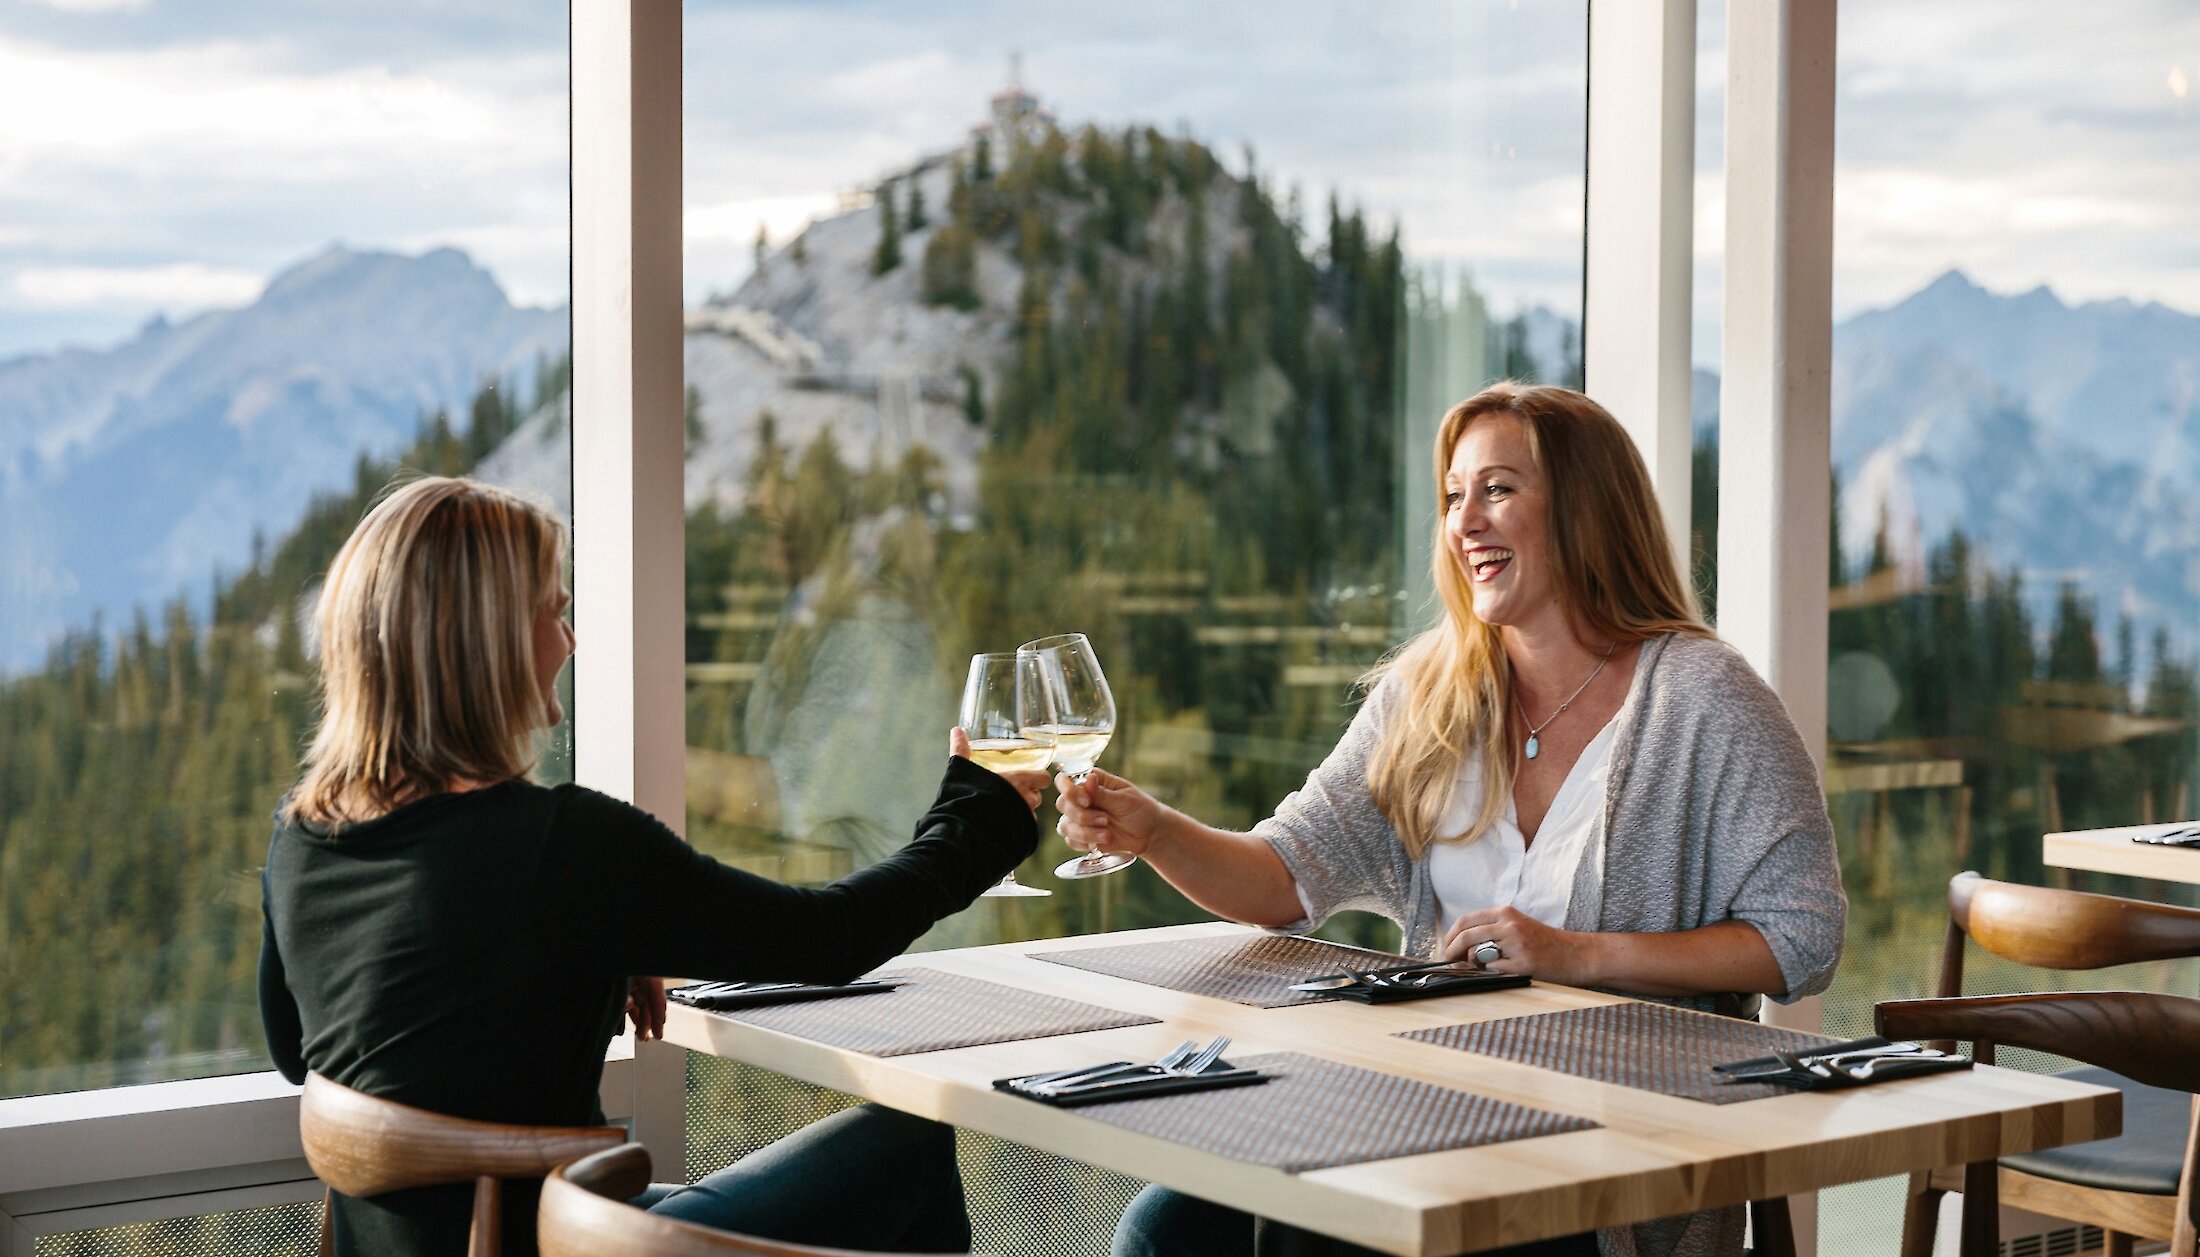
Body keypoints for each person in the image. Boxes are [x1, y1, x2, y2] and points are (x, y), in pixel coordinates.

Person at [1059, 384, 1846, 1257]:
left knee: (1316, 1232)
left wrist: (1577, 953)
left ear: (1584, 510)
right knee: (1166, 1225)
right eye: (1452, 495)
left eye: (1498, 489)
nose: (1465, 519)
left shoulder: (1703, 697)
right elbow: (1286, 875)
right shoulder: (1429, 694)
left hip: (1604, 1153)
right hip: (1427, 1099)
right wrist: (1158, 829)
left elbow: (1803, 936)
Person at [258, 475, 1047, 1256]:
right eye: (554, 611)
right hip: (556, 1238)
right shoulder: (561, 846)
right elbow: (829, 937)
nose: (569, 641)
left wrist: (591, 958)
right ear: (486, 639)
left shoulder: (303, 836)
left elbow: (312, 1048)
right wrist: (975, 819)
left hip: (442, 1238)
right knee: (909, 1146)